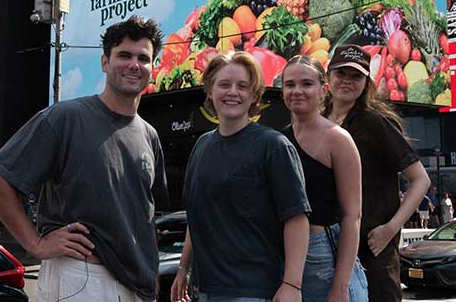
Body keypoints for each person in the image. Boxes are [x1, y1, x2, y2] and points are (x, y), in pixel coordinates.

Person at [0, 17, 168, 302]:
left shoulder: (149, 135)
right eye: (124, 55)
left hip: (137, 285)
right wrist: (36, 244)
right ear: (104, 62)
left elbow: (146, 214)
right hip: (81, 279)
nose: (134, 65)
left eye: (143, 58)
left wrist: (150, 271)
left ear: (153, 67)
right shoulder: (65, 117)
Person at [172, 51, 309, 302]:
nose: (233, 92)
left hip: (253, 291)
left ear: (254, 95)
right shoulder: (201, 146)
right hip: (204, 291)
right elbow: (197, 215)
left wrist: (292, 284)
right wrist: (184, 268)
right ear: (210, 90)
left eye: (243, 86)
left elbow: (296, 218)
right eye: (224, 84)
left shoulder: (273, 145)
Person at [324, 44, 430, 302]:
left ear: (365, 84)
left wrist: (390, 228)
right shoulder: (318, 122)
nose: (347, 81)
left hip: (372, 250)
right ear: (328, 77)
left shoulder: (374, 123)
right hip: (328, 248)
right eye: (341, 73)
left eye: (356, 76)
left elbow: (420, 179)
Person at [279, 55, 368, 301]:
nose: (297, 91)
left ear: (323, 90)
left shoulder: (338, 139)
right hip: (286, 259)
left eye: (307, 84)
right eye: (290, 84)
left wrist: (341, 285)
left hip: (328, 256)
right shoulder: (277, 140)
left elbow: (352, 216)